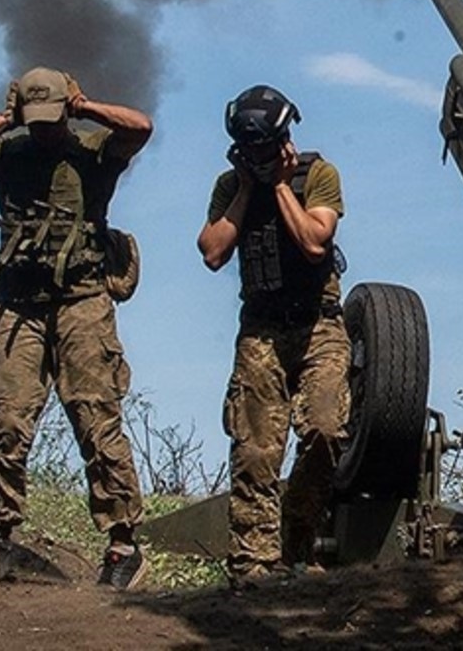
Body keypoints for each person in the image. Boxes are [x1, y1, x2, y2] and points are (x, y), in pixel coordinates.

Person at [0, 66, 152, 590]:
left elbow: (140, 127)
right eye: (34, 120)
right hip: (20, 305)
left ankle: (123, 546)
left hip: (83, 301)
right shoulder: (7, 154)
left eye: (50, 118)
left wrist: (84, 107)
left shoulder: (93, 152)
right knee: (6, 422)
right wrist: (5, 120)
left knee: (96, 421)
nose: (43, 129)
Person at [196, 84, 349, 588]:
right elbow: (213, 251)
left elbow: (312, 241)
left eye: (266, 147)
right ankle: (254, 562)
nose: (259, 157)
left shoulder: (317, 176)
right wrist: (246, 189)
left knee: (325, 429)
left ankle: (297, 537)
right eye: (249, 150)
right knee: (256, 448)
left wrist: (281, 186)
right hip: (261, 328)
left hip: (318, 324)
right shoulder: (229, 185)